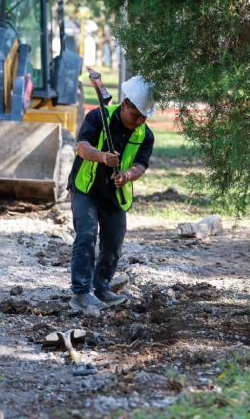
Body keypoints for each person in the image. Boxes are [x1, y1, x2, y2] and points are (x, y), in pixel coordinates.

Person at [67, 72, 156, 316]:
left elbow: (141, 165)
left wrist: (126, 175)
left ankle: (101, 287)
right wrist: (103, 157)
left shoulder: (145, 135)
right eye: (135, 114)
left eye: (143, 117)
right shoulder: (98, 117)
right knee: (86, 235)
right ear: (125, 104)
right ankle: (81, 293)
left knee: (113, 244)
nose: (139, 121)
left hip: (115, 195)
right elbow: (82, 148)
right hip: (86, 188)